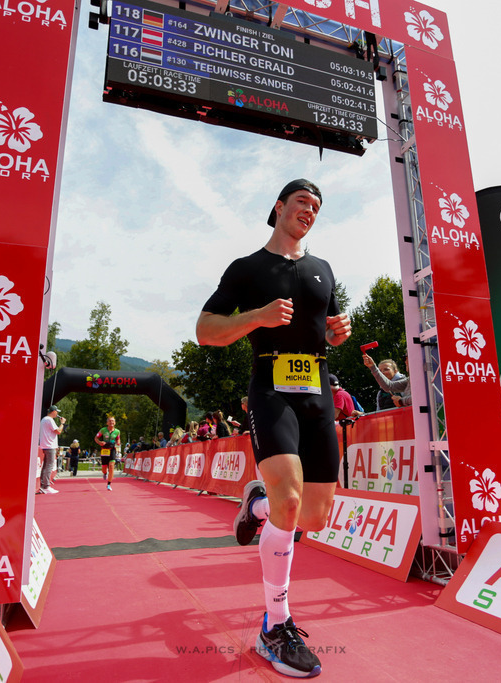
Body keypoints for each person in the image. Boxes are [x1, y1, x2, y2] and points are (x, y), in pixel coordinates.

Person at [196, 178, 351, 677]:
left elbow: (322, 329)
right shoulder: (247, 269)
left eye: (317, 207)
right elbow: (205, 331)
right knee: (289, 505)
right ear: (279, 207)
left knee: (314, 518)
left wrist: (336, 333)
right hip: (271, 386)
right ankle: (275, 625)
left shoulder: (323, 270)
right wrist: (257, 316)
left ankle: (255, 503)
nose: (310, 211)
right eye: (302, 202)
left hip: (319, 390)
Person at [37, 406, 64, 494]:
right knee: (48, 466)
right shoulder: (49, 420)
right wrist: (62, 423)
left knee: (46, 466)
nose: (57, 414)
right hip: (49, 445)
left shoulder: (45, 419)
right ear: (53, 411)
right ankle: (46, 486)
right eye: (57, 412)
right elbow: (58, 431)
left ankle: (44, 485)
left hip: (46, 445)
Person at [95, 416, 121, 491]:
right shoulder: (103, 430)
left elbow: (118, 439)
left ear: (115, 423)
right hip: (104, 450)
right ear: (107, 422)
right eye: (110, 421)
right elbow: (96, 438)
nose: (111, 422)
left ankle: (109, 484)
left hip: (112, 450)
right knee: (104, 468)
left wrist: (118, 443)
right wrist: (100, 442)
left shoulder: (117, 431)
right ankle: (105, 473)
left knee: (112, 466)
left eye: (113, 421)